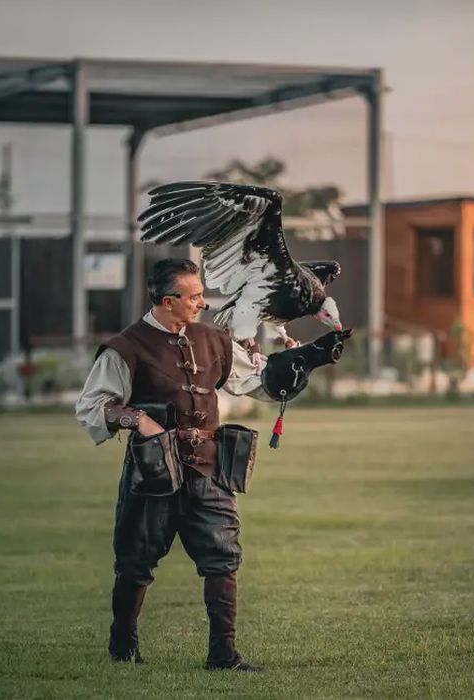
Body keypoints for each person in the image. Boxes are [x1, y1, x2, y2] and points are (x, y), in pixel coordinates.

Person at [75, 258, 351, 671]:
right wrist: (138, 419)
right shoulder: (126, 347)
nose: (205, 304)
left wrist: (307, 359)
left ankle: (223, 654)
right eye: (195, 296)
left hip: (208, 470)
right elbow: (92, 407)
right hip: (153, 473)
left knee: (224, 557)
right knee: (135, 562)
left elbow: (255, 380)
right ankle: (122, 644)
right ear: (169, 301)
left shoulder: (211, 339)